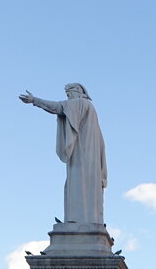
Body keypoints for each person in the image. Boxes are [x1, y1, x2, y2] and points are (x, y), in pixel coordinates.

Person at [18, 83, 107, 225]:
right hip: (88, 156)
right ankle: (87, 220)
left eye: (69, 93)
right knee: (85, 188)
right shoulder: (90, 110)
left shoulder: (81, 103)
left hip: (82, 156)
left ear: (79, 92)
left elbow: (58, 107)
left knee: (79, 185)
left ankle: (78, 220)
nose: (68, 97)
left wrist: (35, 100)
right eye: (67, 94)